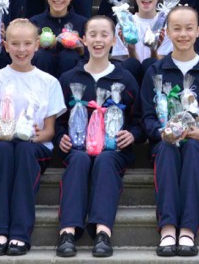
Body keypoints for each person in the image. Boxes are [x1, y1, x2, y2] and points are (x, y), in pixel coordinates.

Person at [138, 5, 199, 257]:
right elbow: (145, 117)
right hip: (164, 142)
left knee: (191, 149)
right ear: (166, 32)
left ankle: (187, 229)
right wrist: (160, 132)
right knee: (167, 151)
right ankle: (168, 227)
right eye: (176, 28)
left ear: (198, 31)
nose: (183, 34)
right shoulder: (156, 71)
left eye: (189, 28)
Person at [0, 19, 67, 256]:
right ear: (5, 45)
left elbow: (49, 130)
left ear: (37, 45)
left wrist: (34, 137)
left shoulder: (49, 82)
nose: (21, 49)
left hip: (34, 148)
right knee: (4, 151)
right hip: (1, 145)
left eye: (27, 44)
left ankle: (19, 233)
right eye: (15, 44)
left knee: (24, 152)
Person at [54, 15, 143, 258]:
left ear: (114, 40)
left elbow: (139, 120)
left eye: (105, 34)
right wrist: (61, 136)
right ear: (83, 39)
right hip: (78, 148)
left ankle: (103, 231)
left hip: (113, 149)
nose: (98, 40)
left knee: (105, 161)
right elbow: (59, 120)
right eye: (92, 34)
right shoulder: (70, 78)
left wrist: (132, 135)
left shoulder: (124, 79)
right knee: (79, 160)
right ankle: (68, 231)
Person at [111, 0, 168, 83]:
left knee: (150, 64)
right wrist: (131, 50)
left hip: (157, 80)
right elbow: (126, 65)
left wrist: (154, 52)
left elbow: (164, 65)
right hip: (132, 80)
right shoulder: (125, 23)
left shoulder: (167, 24)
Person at [29, 0, 88, 78]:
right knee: (43, 56)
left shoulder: (83, 23)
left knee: (69, 56)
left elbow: (89, 57)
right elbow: (26, 53)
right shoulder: (35, 22)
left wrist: (81, 49)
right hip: (41, 84)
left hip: (71, 85)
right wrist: (36, 46)